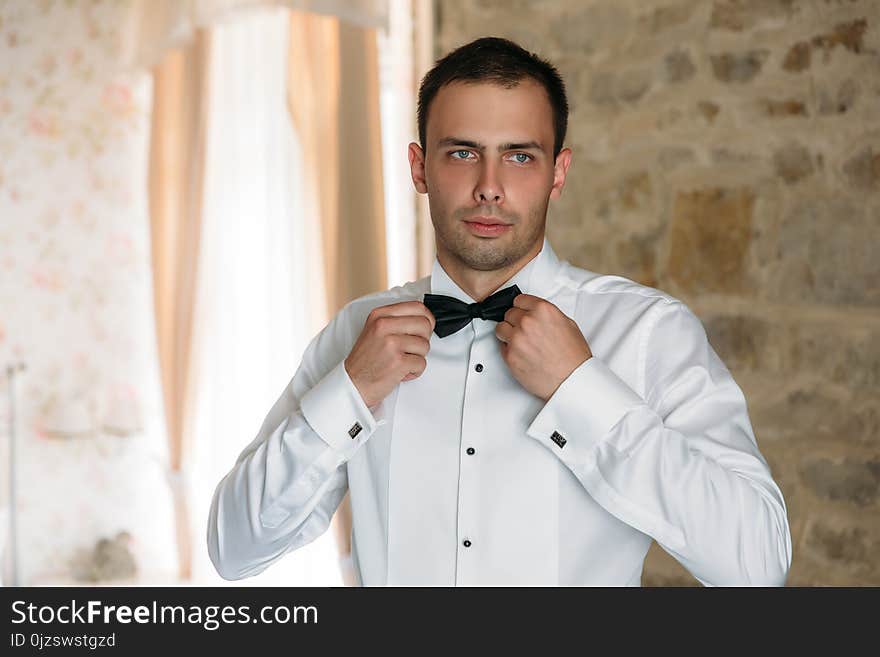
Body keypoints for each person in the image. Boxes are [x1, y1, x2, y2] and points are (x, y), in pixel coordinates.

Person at [207, 36, 792, 586]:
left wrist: (581, 390)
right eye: (463, 153)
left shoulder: (647, 332)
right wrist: (350, 391)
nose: (489, 186)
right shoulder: (359, 333)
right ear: (419, 168)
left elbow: (758, 561)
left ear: (557, 173)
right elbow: (233, 548)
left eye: (518, 157)